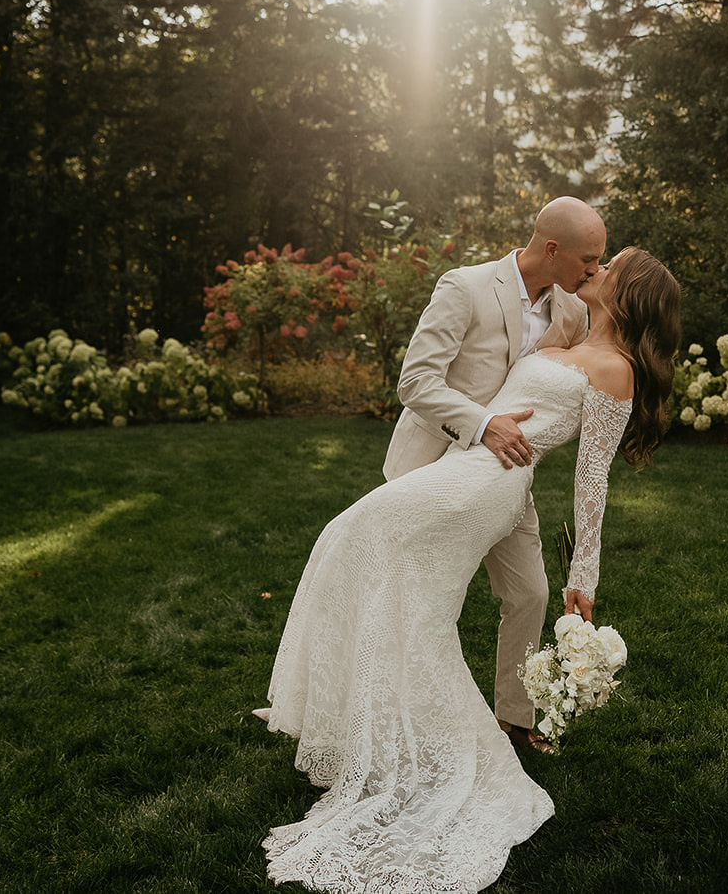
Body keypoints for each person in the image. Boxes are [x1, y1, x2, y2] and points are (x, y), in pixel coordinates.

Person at [257, 246, 681, 894]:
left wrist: (583, 581)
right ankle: (371, 725)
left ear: (629, 293)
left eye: (611, 264)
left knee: (382, 566)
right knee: (368, 559)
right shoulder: (568, 324)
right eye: (594, 257)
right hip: (465, 465)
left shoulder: (617, 371)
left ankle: (441, 747)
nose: (597, 267)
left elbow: (592, 482)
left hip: (489, 487)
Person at [382, 195, 604, 754]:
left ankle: (514, 717)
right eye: (588, 259)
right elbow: (416, 382)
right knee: (415, 600)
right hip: (432, 469)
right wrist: (485, 424)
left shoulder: (572, 312)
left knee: (530, 592)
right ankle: (390, 716)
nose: (594, 271)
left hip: (505, 478)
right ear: (552, 249)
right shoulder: (466, 286)